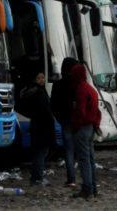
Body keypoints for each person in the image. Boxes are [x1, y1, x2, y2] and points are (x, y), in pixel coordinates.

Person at [69, 62, 101, 199]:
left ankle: (86, 189)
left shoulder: (81, 90)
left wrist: (75, 125)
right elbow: (97, 112)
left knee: (84, 160)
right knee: (90, 159)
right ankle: (93, 188)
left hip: (82, 128)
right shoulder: (91, 89)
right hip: (91, 127)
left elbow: (80, 112)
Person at [18, 72, 54, 186]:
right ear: (35, 79)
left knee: (39, 152)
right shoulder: (38, 92)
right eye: (39, 78)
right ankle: (38, 178)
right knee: (40, 153)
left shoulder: (32, 91)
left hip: (37, 126)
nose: (42, 80)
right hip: (42, 126)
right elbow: (44, 110)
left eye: (43, 77)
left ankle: (36, 177)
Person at [50, 57, 79, 188]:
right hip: (77, 121)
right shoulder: (77, 84)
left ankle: (71, 178)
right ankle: (87, 178)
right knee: (82, 149)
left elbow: (53, 105)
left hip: (65, 121)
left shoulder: (57, 85)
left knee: (68, 150)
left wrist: (59, 119)